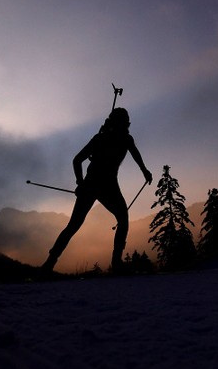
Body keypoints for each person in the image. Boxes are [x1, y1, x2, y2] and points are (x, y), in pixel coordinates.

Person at [41, 107, 152, 273]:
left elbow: (77, 160)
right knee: (122, 219)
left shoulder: (102, 138)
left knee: (74, 225)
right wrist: (144, 171)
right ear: (125, 123)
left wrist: (80, 183)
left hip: (91, 184)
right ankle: (116, 263)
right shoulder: (123, 139)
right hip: (106, 185)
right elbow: (77, 160)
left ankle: (48, 265)